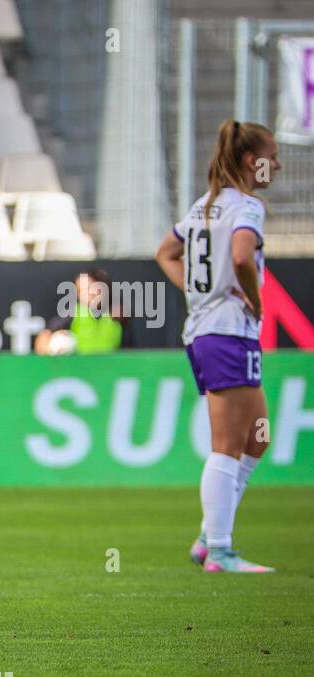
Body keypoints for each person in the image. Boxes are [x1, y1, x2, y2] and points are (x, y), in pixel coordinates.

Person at [154, 119, 280, 573]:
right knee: (227, 445)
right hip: (226, 330)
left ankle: (211, 533)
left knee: (258, 437)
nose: (278, 165)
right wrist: (255, 296)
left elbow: (165, 252)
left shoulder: (204, 207)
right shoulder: (245, 206)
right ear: (252, 161)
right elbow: (243, 255)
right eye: (273, 156)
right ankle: (219, 550)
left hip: (216, 331)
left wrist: (195, 288)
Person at [34, 267, 125, 355]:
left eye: (90, 288)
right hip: (81, 368)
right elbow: (45, 335)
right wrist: (51, 348)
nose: (86, 294)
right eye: (81, 290)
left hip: (110, 368)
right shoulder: (73, 312)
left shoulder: (118, 314)